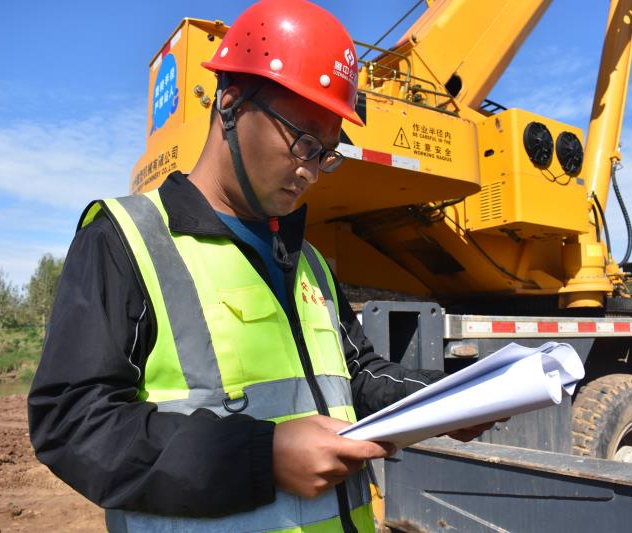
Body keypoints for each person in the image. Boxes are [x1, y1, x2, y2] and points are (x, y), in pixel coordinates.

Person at [28, 1, 492, 531]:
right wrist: (261, 456)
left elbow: (357, 377)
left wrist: (444, 399)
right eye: (304, 142)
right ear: (230, 103)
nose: (311, 171)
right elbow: (72, 423)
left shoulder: (308, 262)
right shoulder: (126, 241)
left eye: (327, 153)